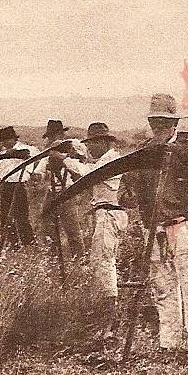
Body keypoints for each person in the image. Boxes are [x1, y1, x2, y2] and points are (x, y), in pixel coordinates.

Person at [123, 93, 188, 364]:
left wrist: (172, 149)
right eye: (155, 121)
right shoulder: (146, 149)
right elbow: (133, 184)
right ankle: (170, 343)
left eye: (164, 122)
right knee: (162, 286)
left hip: (184, 224)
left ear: (174, 122)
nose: (159, 126)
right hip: (155, 227)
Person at [50, 122, 126, 329]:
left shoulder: (111, 160)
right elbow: (86, 172)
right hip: (103, 213)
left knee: (103, 262)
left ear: (103, 142)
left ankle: (110, 314)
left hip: (109, 213)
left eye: (93, 144)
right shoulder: (103, 159)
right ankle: (105, 307)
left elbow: (89, 174)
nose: (90, 148)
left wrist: (64, 160)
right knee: (99, 261)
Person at [33, 119, 87, 259]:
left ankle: (79, 258)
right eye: (50, 136)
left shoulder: (73, 149)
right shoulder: (48, 155)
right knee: (47, 225)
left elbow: (81, 168)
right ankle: (53, 256)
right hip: (52, 193)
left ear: (61, 134)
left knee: (72, 228)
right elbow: (40, 172)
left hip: (67, 192)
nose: (53, 138)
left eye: (55, 135)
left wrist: (64, 157)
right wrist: (36, 175)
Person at [0, 126, 39, 248]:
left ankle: (29, 244)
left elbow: (28, 155)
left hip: (19, 186)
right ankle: (14, 244)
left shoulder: (25, 149)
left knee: (21, 216)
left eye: (6, 140)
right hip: (7, 187)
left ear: (13, 139)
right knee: (5, 217)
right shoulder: (3, 155)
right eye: (3, 141)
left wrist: (13, 153)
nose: (4, 143)